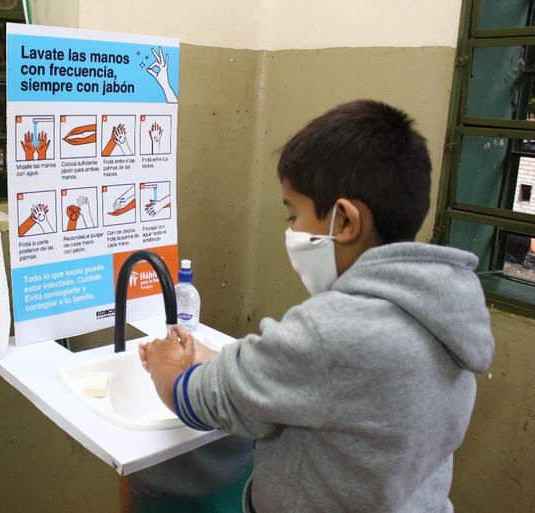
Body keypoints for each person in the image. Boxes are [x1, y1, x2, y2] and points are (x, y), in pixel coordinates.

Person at [140, 100, 495, 513]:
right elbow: (320, 385)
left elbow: (202, 401)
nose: (290, 231)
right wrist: (215, 357)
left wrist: (167, 366)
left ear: (344, 221)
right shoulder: (446, 310)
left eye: (293, 216)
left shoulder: (332, 330)